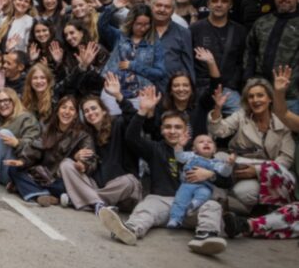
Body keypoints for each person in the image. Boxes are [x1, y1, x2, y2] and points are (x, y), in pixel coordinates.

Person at [98, 86, 228, 255]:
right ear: (161, 130)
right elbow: (131, 138)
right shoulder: (155, 149)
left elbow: (227, 180)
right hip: (161, 202)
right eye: (167, 127)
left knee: (212, 205)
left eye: (177, 127)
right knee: (146, 207)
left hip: (191, 206)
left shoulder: (197, 151)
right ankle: (130, 230)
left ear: (186, 130)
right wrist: (142, 111)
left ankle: (205, 237)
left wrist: (210, 175)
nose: (172, 131)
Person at [207, 79, 295, 214]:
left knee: (243, 193)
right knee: (218, 157)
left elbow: (286, 159)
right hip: (237, 164)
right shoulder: (241, 115)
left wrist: (257, 171)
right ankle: (221, 202)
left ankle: (252, 211)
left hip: (265, 172)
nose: (255, 100)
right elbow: (218, 131)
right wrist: (218, 109)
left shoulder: (283, 123)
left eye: (260, 95)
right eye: (251, 96)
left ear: (270, 98)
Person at [59, 75, 143, 213]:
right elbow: (89, 165)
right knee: (66, 164)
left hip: (122, 188)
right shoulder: (87, 134)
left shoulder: (118, 123)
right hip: (97, 185)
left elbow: (134, 120)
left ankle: (86, 200)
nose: (90, 113)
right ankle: (98, 204)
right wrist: (78, 158)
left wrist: (118, 96)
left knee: (129, 181)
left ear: (104, 110)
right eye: (86, 111)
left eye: (93, 108)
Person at [6, 95, 96, 206]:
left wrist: (83, 165)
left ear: (76, 114)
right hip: (42, 175)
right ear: (57, 110)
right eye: (63, 107)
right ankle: (44, 195)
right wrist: (22, 161)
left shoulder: (83, 135)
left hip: (61, 179)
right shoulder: (47, 129)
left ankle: (30, 190)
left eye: (71, 109)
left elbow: (90, 158)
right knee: (13, 169)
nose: (67, 112)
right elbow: (35, 148)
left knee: (64, 187)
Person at [244, 0, 298, 113]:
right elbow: (250, 51)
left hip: (291, 96)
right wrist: (249, 79)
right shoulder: (262, 22)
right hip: (261, 93)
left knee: (289, 126)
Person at [168, 135, 235, 228]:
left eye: (209, 142)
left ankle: (194, 204)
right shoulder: (191, 156)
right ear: (194, 149)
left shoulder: (216, 163)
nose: (206, 143)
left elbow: (225, 173)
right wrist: (179, 146)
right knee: (179, 200)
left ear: (214, 150)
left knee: (205, 194)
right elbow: (180, 157)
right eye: (201, 142)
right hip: (187, 184)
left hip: (204, 186)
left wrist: (229, 164)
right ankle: (175, 219)